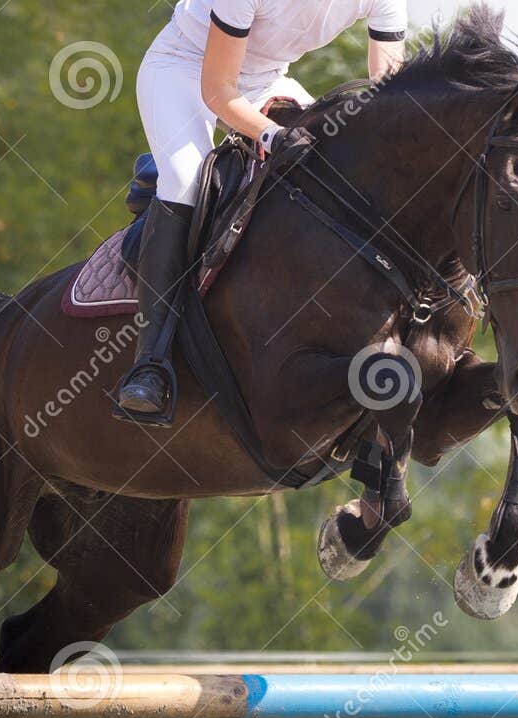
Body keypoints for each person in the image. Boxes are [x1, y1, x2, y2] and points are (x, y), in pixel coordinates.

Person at [113, 0, 408, 426]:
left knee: (333, 170)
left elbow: (388, 92)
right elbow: (217, 91)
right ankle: (150, 364)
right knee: (186, 179)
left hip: (266, 81)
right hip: (185, 70)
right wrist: (272, 135)